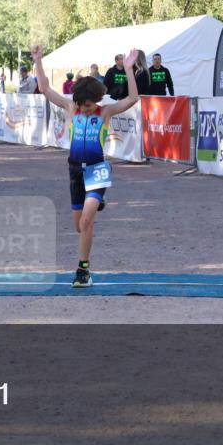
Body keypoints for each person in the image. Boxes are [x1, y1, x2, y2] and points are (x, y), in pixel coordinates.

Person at [32, 44, 141, 287]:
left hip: (98, 169)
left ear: (98, 101)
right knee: (79, 226)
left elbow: (133, 98)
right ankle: (94, 207)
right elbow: (46, 89)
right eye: (82, 105)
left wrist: (130, 69)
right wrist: (38, 61)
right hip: (74, 171)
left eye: (89, 105)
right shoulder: (72, 108)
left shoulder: (105, 112)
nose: (85, 109)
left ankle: (83, 271)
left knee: (87, 221)